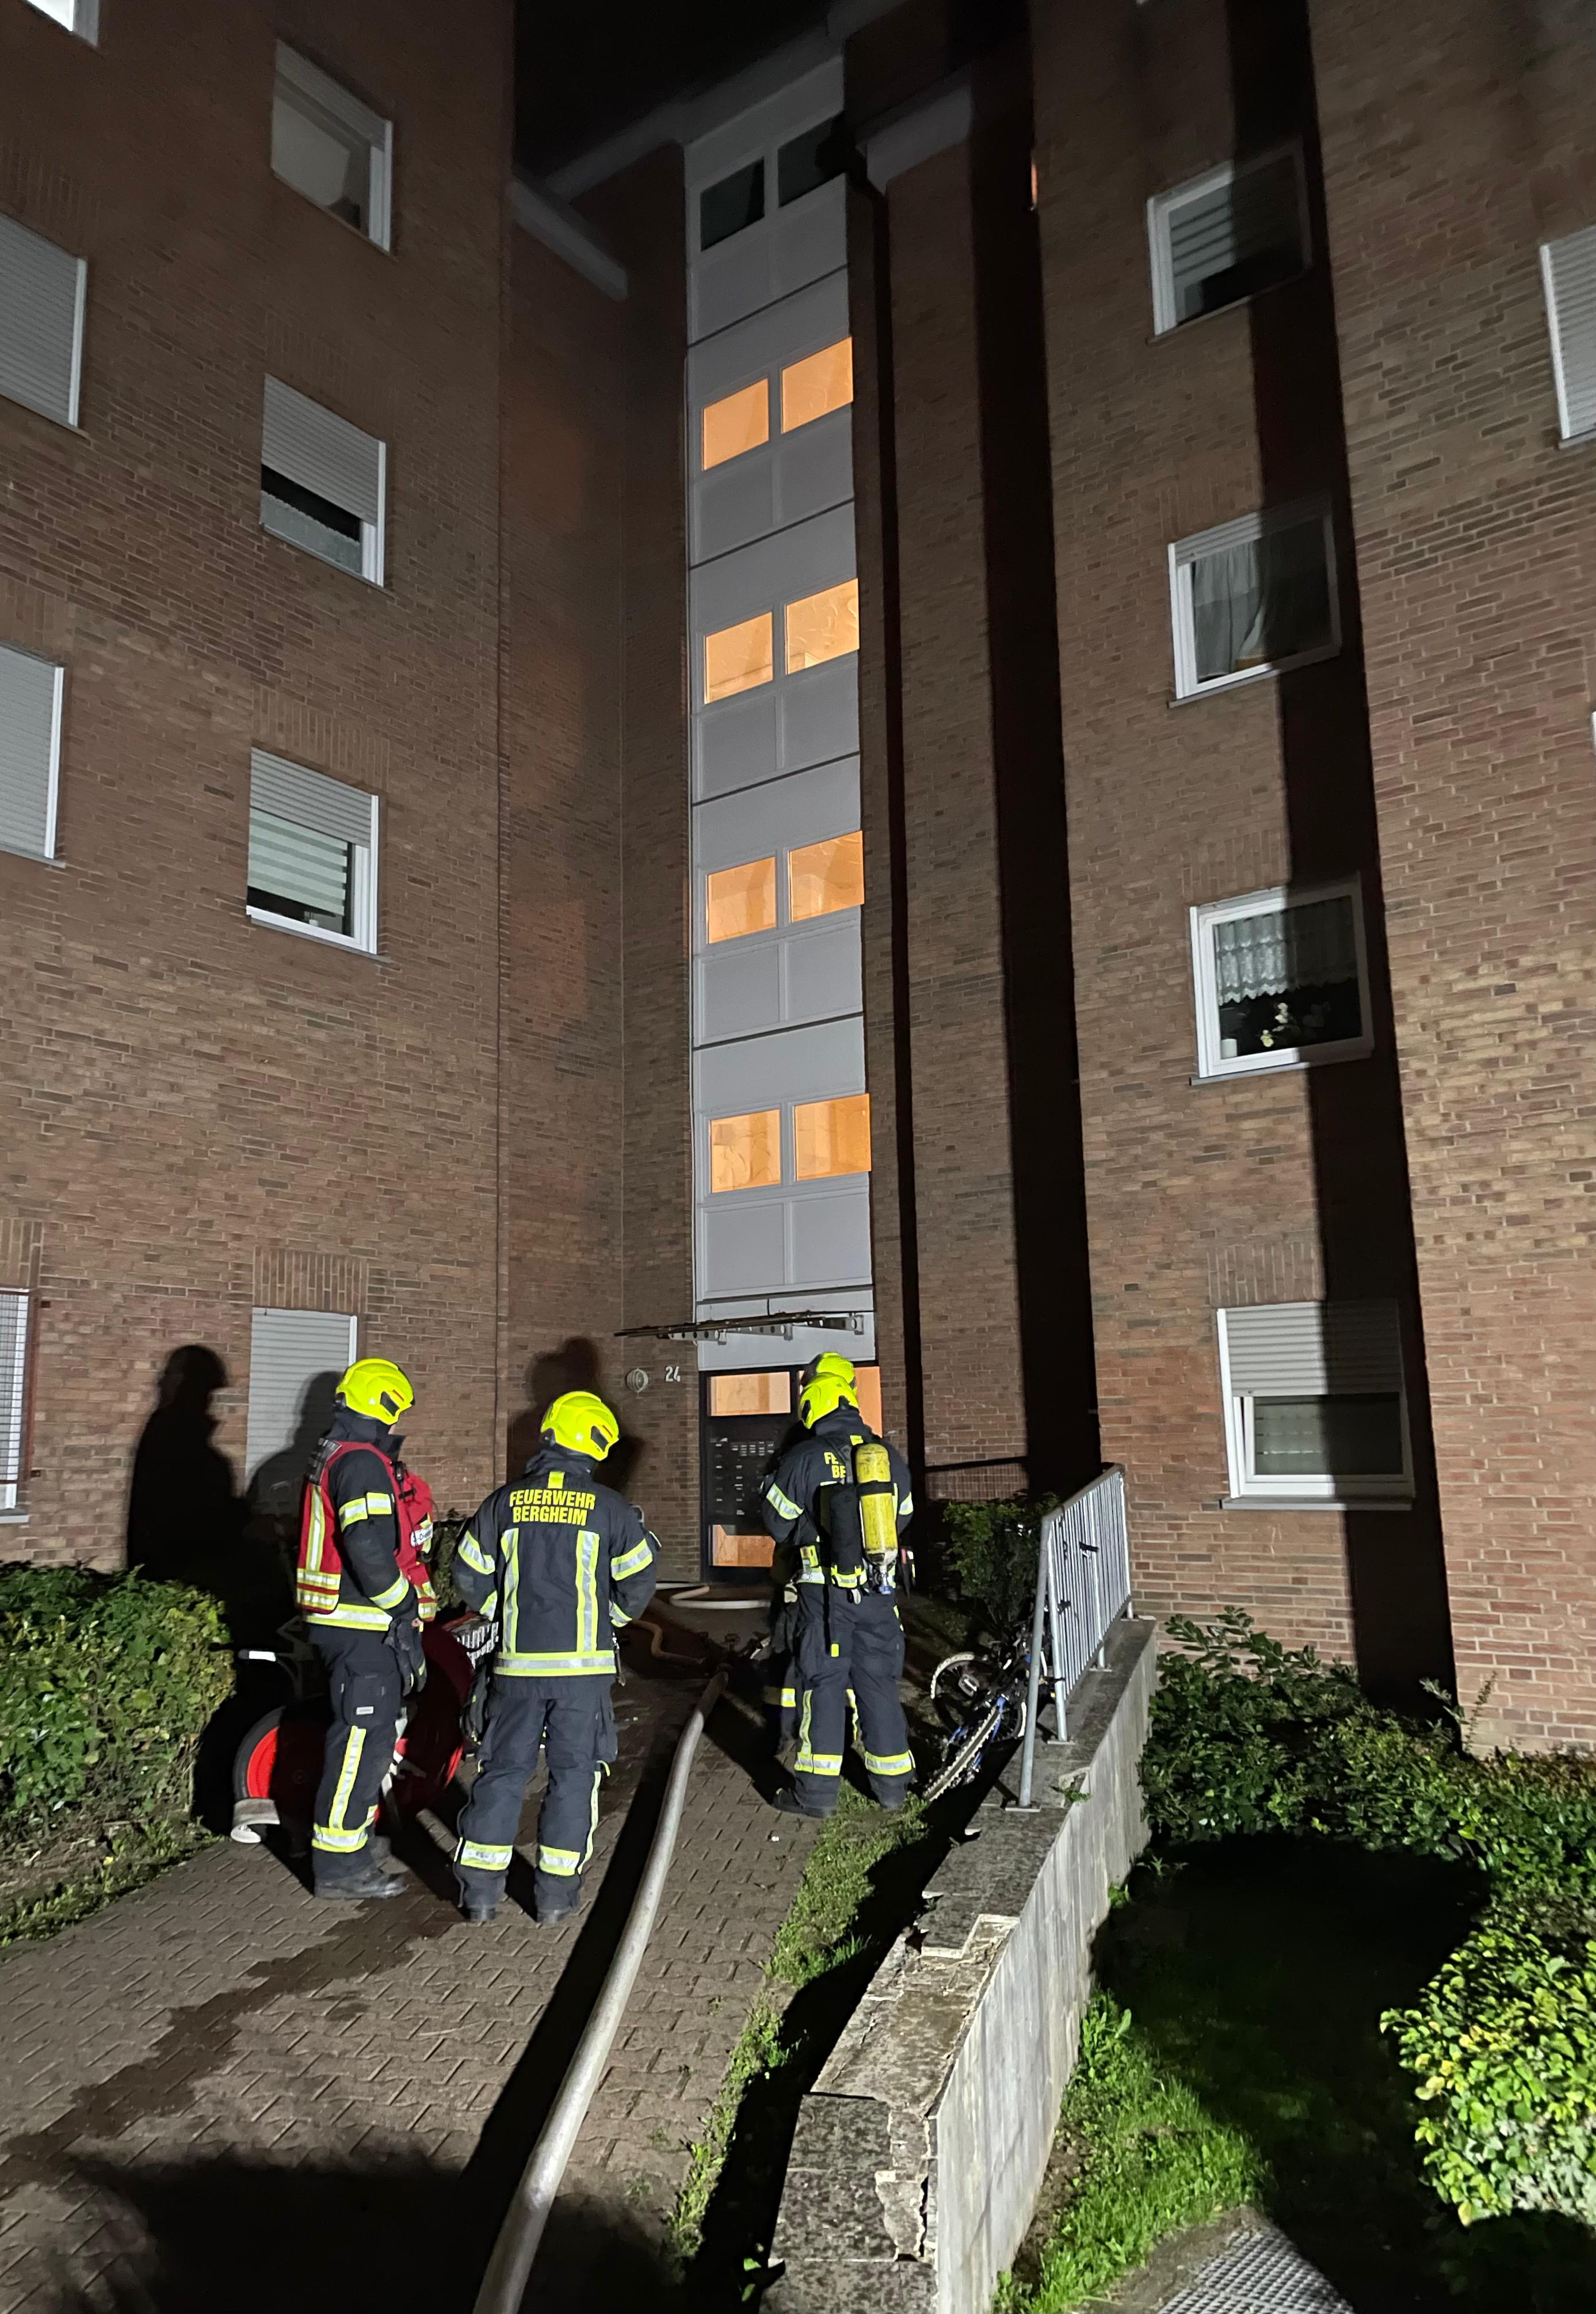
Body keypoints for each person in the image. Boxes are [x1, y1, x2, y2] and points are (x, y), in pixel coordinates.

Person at [448, 1390, 658, 1926]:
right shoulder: (608, 1508)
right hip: (582, 1677)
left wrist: (503, 1610)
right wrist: (607, 1620)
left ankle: (480, 1896)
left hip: (516, 1669)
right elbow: (639, 1581)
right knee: (574, 1776)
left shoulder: (504, 1503)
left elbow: (467, 1572)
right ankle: (555, 1899)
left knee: (501, 1773)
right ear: (594, 1445)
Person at [294, 1357, 436, 1901]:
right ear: (384, 1404)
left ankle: (350, 1844)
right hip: (362, 1626)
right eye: (396, 1411)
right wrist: (403, 1606)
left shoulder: (338, 1453)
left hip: (349, 1624)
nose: (396, 1423)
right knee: (360, 1742)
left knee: (367, 1739)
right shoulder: (360, 1462)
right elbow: (367, 1545)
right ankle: (338, 1865)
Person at [759, 1367, 916, 1819]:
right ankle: (892, 1788)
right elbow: (904, 1515)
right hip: (878, 1590)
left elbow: (777, 1523)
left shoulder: (806, 1456)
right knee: (878, 1682)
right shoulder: (886, 1455)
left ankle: (816, 1795)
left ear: (813, 1405)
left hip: (825, 1594)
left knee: (823, 1683)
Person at [762, 1352, 858, 1745]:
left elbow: (778, 1513)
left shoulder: (804, 1441)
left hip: (802, 1572)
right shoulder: (866, 1445)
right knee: (841, 1655)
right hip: (856, 1580)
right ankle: (840, 1729)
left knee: (794, 1650)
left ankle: (783, 1731)